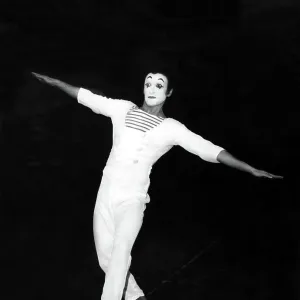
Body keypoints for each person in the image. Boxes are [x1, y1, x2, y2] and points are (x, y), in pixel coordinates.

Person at [31, 71, 283, 300]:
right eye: (148, 83)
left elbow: (208, 149)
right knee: (106, 259)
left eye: (159, 85)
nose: (152, 89)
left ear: (168, 92)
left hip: (132, 198)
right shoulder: (122, 109)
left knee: (120, 253)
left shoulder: (171, 128)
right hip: (105, 193)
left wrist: (248, 167)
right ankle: (136, 297)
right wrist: (54, 82)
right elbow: (87, 97)